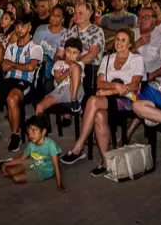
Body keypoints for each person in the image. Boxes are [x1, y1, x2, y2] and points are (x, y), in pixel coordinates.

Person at [60, 28, 143, 175]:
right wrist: (115, 86)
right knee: (99, 115)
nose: (119, 43)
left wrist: (109, 91)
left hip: (128, 101)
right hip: (108, 99)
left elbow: (134, 85)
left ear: (130, 44)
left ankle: (79, 145)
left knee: (93, 100)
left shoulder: (136, 59)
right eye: (117, 39)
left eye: (123, 40)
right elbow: (100, 83)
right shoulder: (107, 59)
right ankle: (106, 161)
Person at [0, 20, 43, 152]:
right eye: (17, 26)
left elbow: (30, 67)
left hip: (26, 82)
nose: (19, 29)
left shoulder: (35, 47)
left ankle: (15, 135)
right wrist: (17, 65)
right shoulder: (11, 47)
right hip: (8, 80)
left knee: (12, 98)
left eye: (23, 26)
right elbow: (5, 65)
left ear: (30, 27)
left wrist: (13, 65)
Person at [0, 116, 65, 191]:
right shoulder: (31, 144)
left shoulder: (51, 145)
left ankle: (26, 172)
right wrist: (6, 164)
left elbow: (56, 166)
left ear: (43, 131)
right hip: (32, 162)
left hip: (43, 172)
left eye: (33, 131)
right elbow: (22, 159)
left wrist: (59, 185)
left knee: (15, 179)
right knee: (9, 171)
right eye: (28, 132)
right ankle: (15, 165)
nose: (30, 135)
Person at [35, 37, 85, 115]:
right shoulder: (58, 63)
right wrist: (68, 71)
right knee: (40, 106)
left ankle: (74, 100)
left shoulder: (80, 64)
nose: (71, 55)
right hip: (60, 90)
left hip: (75, 90)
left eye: (74, 53)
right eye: (68, 51)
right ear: (64, 51)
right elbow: (58, 80)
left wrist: (69, 63)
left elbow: (75, 67)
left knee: (75, 67)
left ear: (79, 54)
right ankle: (38, 123)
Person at [55, 2, 104, 68]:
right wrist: (60, 66)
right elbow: (58, 55)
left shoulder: (96, 31)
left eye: (80, 13)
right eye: (75, 13)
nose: (77, 15)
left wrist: (71, 66)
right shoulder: (68, 32)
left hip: (88, 69)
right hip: (65, 69)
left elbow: (91, 56)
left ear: (89, 14)